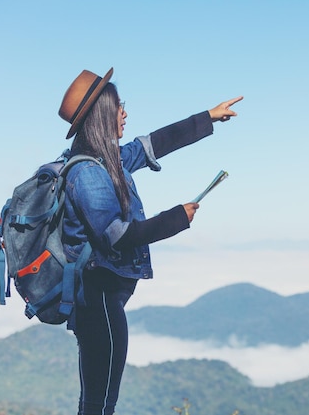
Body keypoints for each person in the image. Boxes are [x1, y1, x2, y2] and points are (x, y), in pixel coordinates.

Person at [57, 67, 243, 415]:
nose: (124, 113)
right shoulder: (88, 174)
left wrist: (209, 117)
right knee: (99, 405)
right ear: (100, 115)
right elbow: (119, 237)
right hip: (96, 298)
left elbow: (155, 143)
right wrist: (177, 219)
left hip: (101, 298)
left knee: (95, 403)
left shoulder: (108, 161)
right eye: (118, 106)